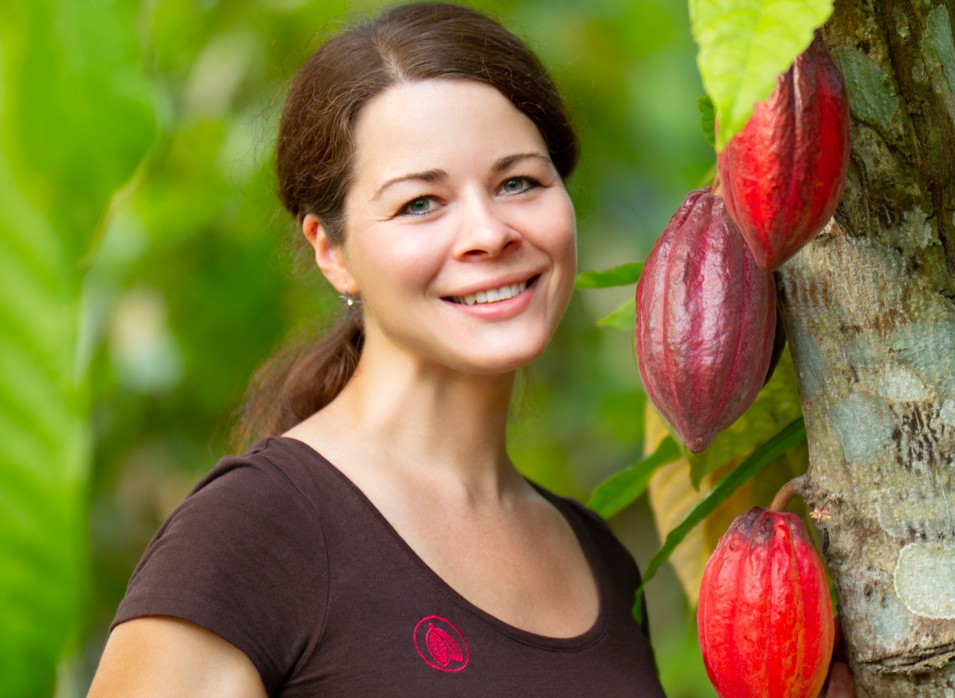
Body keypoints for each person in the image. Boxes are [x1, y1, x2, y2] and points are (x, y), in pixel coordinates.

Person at [88, 3, 667, 695]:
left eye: (519, 183)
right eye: (421, 202)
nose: (489, 232)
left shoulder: (599, 556)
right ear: (332, 252)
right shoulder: (254, 532)